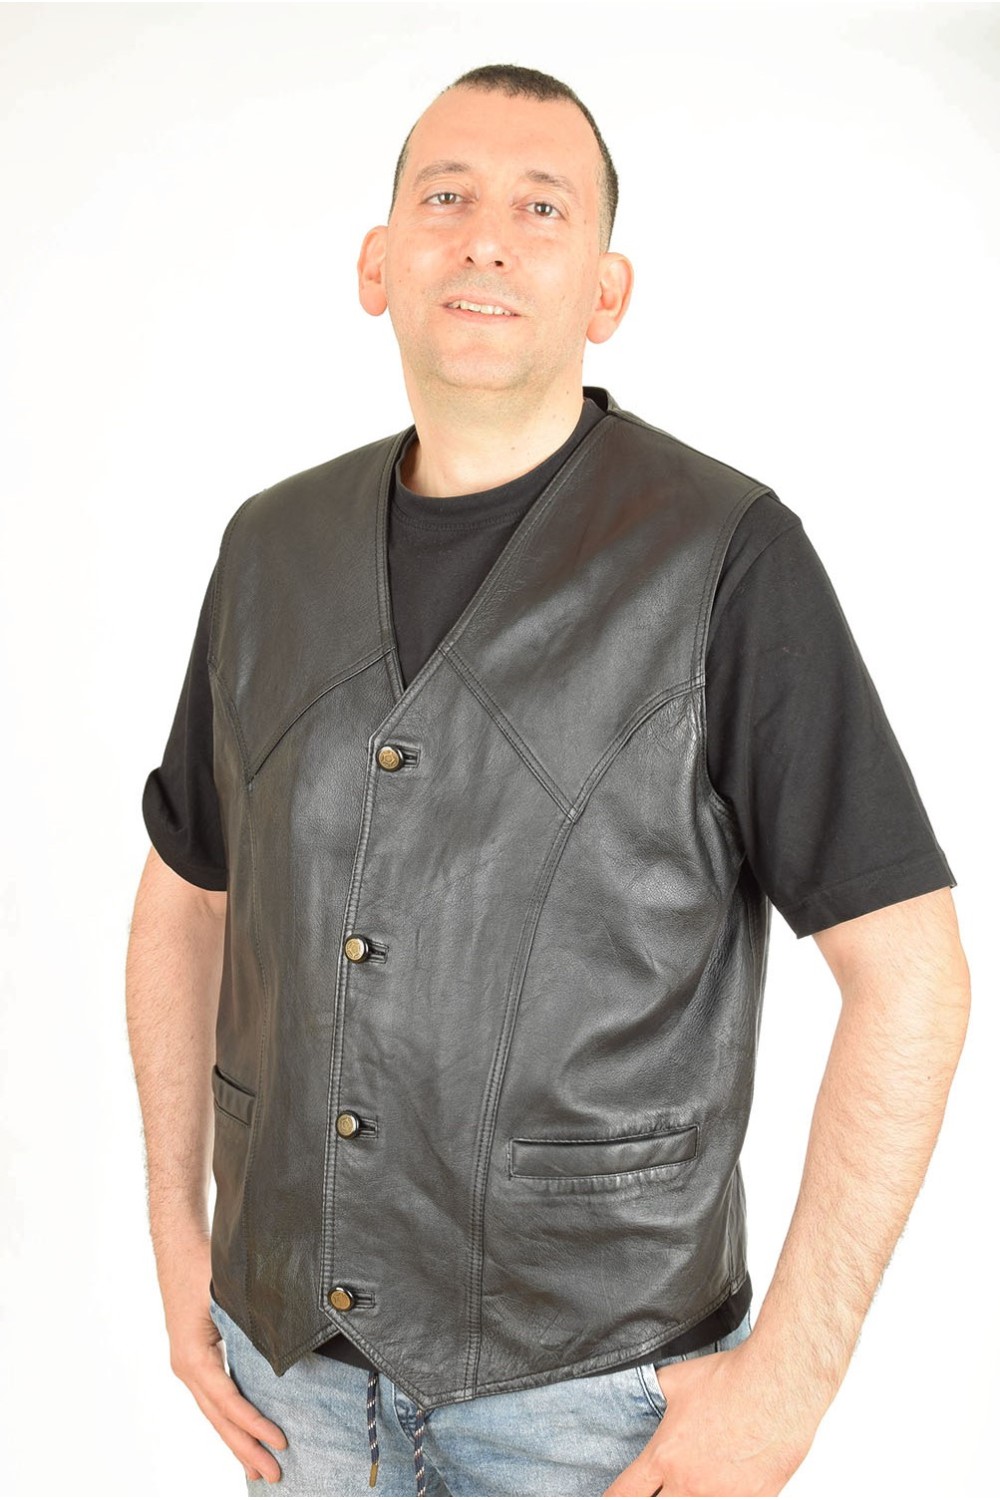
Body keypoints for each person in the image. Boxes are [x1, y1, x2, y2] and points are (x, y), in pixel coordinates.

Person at [125, 63, 970, 1499]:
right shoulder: (267, 550)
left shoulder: (729, 557)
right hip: (293, 1387)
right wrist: (176, 1243)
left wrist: (793, 1379)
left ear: (606, 291)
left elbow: (913, 975)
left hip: (600, 1406)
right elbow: (183, 897)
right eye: (445, 197)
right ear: (377, 263)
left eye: (541, 208)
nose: (486, 238)